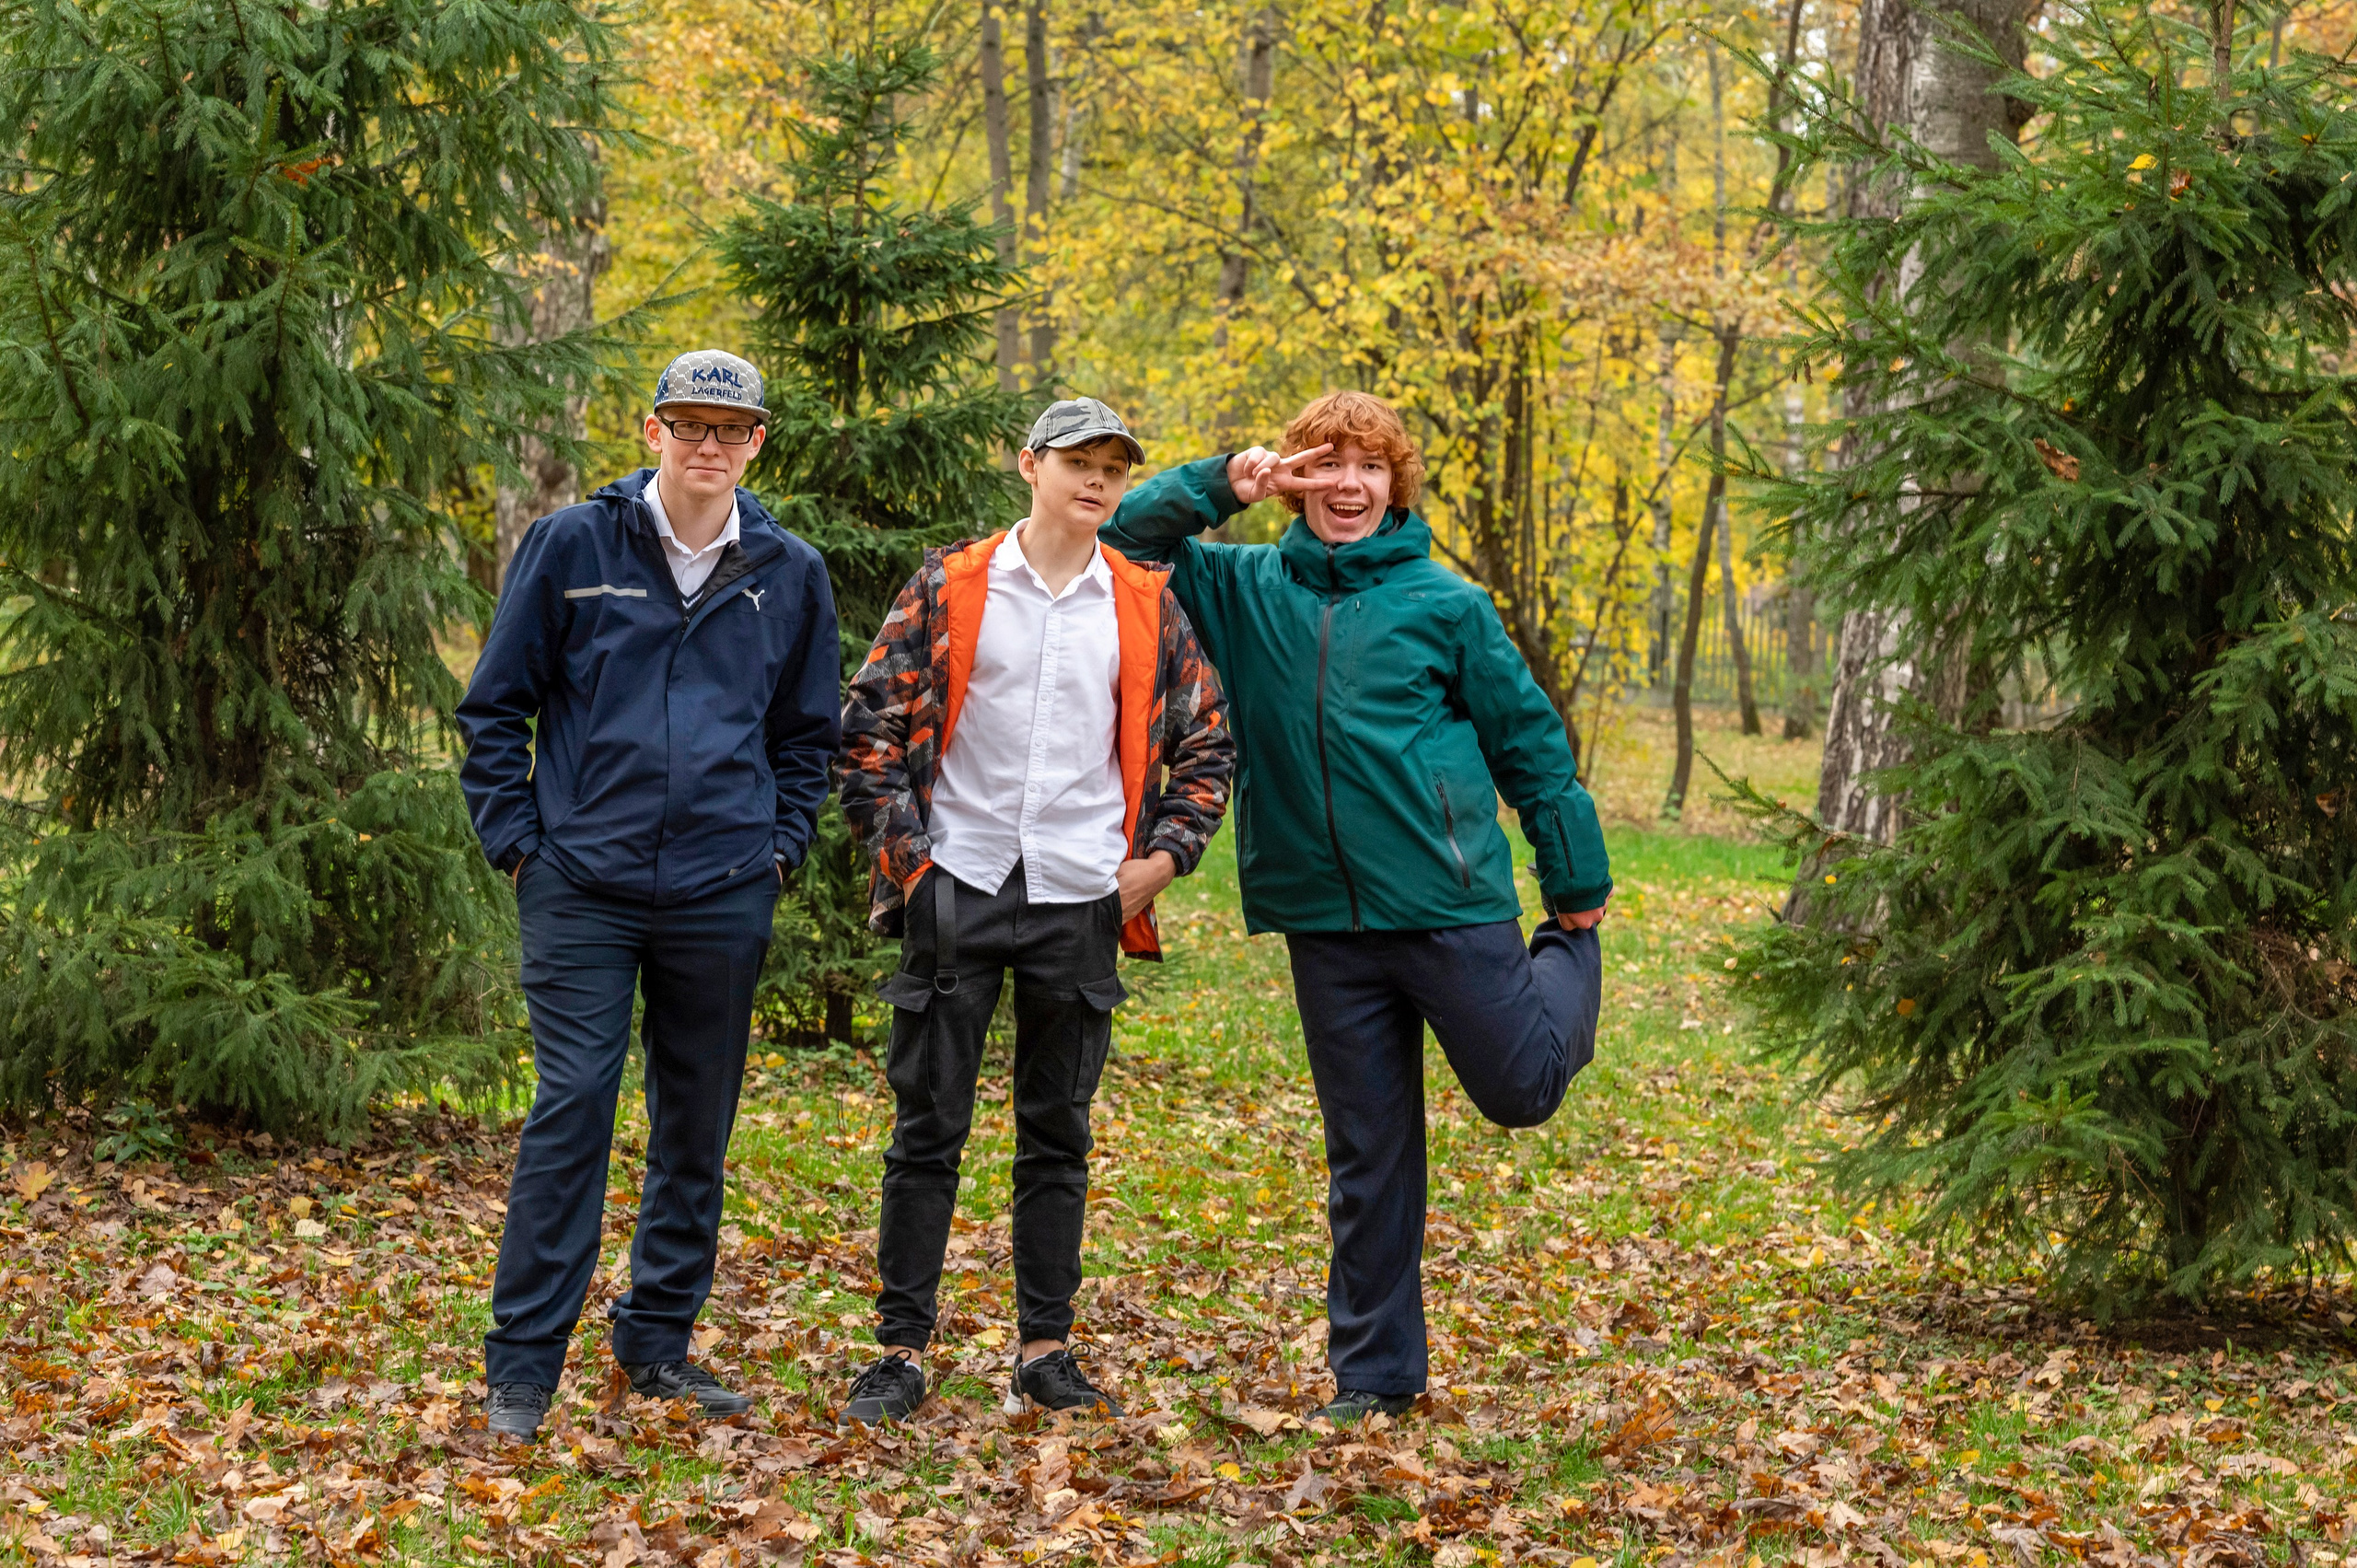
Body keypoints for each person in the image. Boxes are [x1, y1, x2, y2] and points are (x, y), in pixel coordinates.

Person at [1099, 389, 1610, 1423]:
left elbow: (1531, 745)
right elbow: (1121, 537)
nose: (1346, 484)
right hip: (1323, 920)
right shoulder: (1241, 587)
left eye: (1368, 467)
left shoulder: (1447, 605)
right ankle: (1374, 1376)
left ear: (1394, 484)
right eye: (1323, 464)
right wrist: (1223, 483)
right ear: (1295, 478)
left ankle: (1566, 958)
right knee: (1367, 1154)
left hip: (1446, 901)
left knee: (1521, 1089)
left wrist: (1575, 888)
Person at [457, 350, 842, 1441]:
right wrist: (519, 844)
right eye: (689, 424)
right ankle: (524, 1368)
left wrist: (777, 849)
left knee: (694, 1124)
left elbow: (807, 732)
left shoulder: (788, 568)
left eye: (731, 429)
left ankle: (658, 1344)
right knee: (572, 1105)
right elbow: (496, 708)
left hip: (723, 887)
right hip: (581, 883)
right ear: (652, 430)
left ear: (757, 442)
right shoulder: (575, 545)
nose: (708, 445)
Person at [834, 397, 1235, 1424]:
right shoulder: (952, 582)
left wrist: (1162, 859)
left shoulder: (1143, 599)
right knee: (929, 1126)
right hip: (957, 884)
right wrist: (912, 865)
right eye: (1077, 462)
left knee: (1058, 1129)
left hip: (1081, 892)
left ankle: (1044, 1349)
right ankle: (900, 1349)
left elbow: (1208, 743)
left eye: (1113, 467)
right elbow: (869, 723)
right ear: (1029, 465)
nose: (1095, 481)